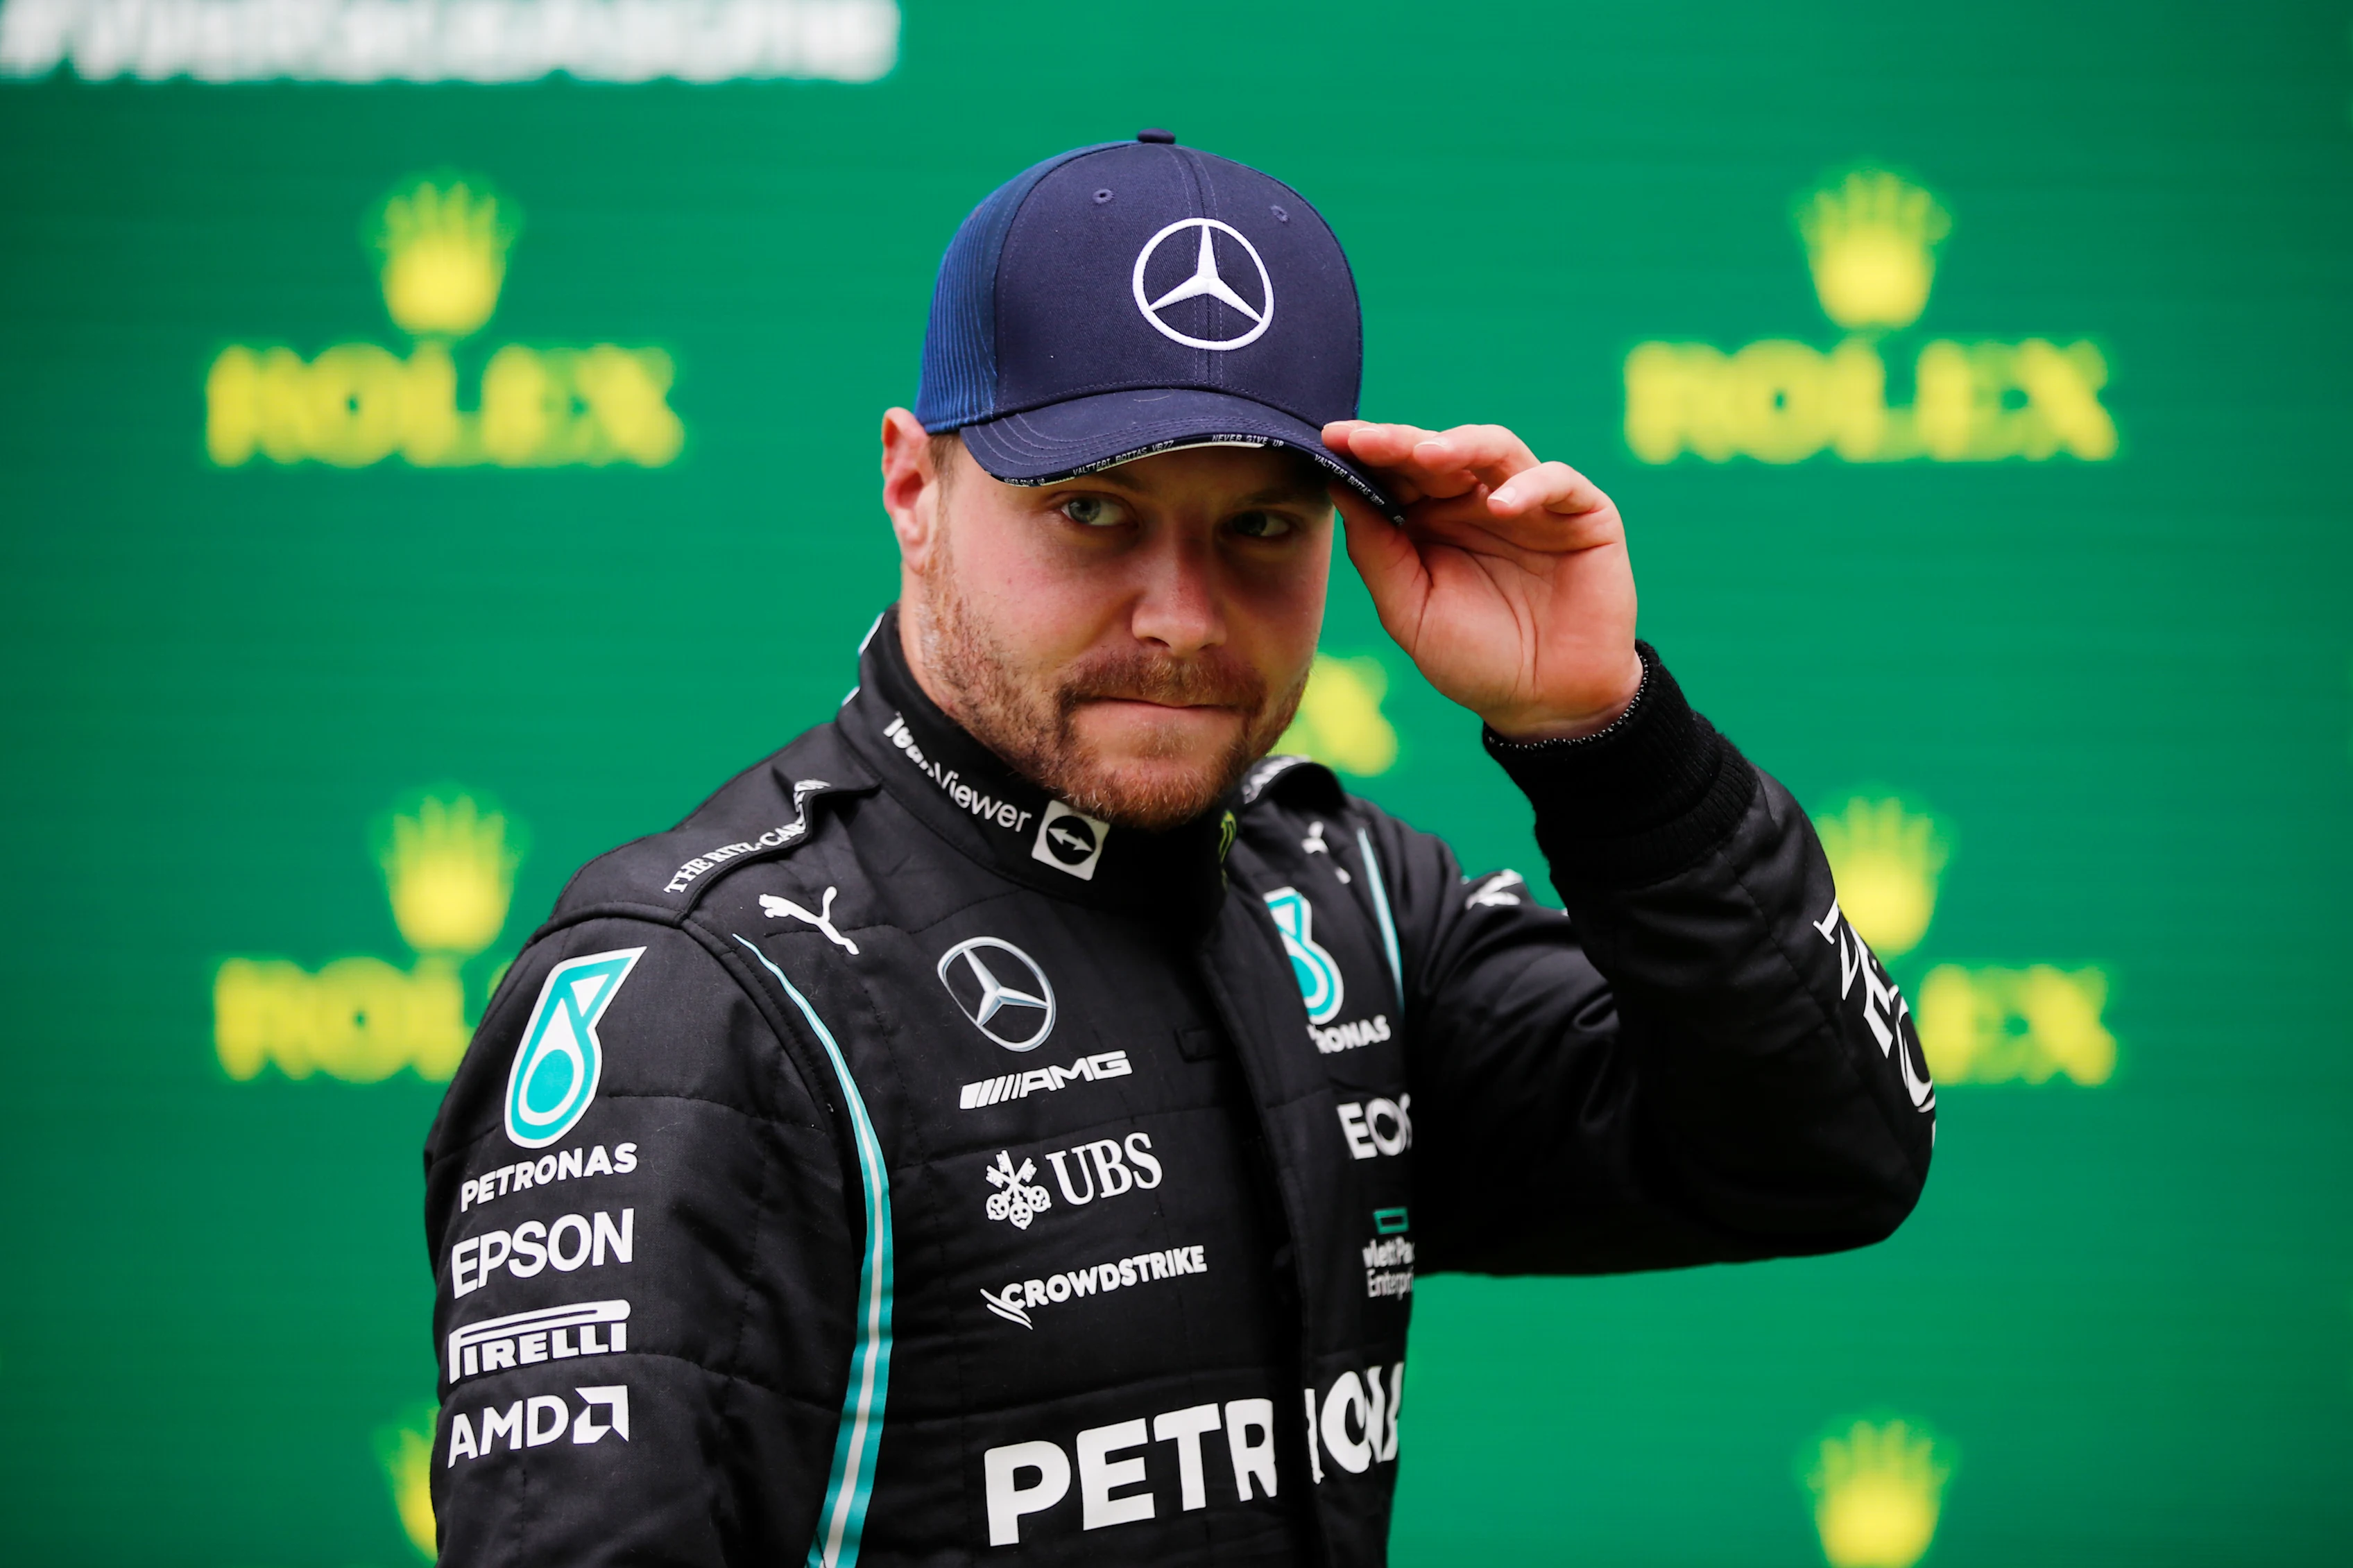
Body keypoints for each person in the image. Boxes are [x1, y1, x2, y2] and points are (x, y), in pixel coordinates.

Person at [422, 132, 1935, 1567]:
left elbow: (1823, 1155)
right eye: (1092, 509)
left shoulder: (1346, 901)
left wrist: (1606, 739)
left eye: (1261, 528)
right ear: (913, 488)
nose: (1183, 617)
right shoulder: (703, 993)